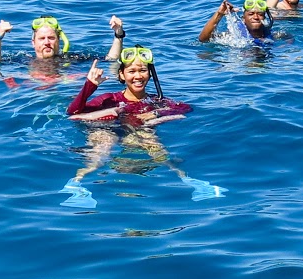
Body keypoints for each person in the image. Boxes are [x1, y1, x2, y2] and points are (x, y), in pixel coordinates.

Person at [62, 47, 218, 205]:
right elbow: (73, 112)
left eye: (143, 70)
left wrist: (156, 114)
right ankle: (76, 184)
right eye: (131, 71)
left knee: (154, 145)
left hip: (136, 132)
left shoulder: (156, 101)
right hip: (106, 128)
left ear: (149, 73)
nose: (138, 76)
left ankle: (190, 181)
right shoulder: (109, 99)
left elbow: (185, 108)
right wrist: (89, 86)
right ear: (122, 74)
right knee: (101, 149)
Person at [0, 15, 124, 68]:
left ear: (59, 41)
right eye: (42, 38)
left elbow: (111, 59)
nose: (47, 42)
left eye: (51, 38)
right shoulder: (23, 60)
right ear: (33, 42)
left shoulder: (72, 59)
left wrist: (118, 34)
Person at [199, 0, 274, 41]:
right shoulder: (233, 36)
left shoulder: (273, 35)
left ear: (264, 18)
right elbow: (203, 39)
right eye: (251, 14)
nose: (256, 17)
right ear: (243, 19)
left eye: (260, 14)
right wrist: (219, 14)